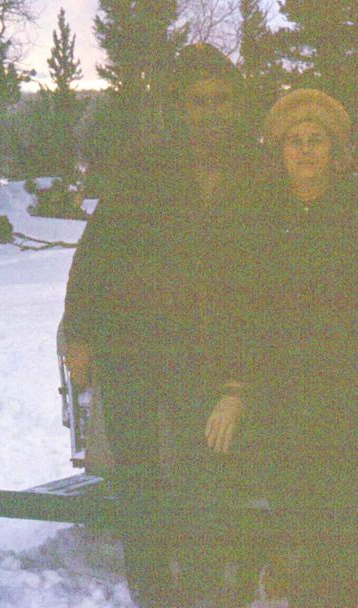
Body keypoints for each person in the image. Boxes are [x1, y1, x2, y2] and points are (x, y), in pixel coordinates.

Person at [205, 88, 358, 607]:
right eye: (294, 140)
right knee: (299, 528)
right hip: (282, 405)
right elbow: (234, 312)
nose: (305, 150)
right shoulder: (254, 221)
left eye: (317, 139)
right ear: (279, 150)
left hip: (351, 404)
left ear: (335, 150)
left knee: (353, 529)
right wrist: (234, 390)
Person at [63, 42, 260, 608]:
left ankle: (202, 584)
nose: (211, 112)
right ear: (181, 106)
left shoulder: (252, 170)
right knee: (139, 475)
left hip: (199, 349)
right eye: (199, 100)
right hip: (129, 344)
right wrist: (79, 334)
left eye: (221, 99)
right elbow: (96, 253)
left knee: (203, 473)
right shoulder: (144, 164)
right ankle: (151, 587)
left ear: (235, 105)